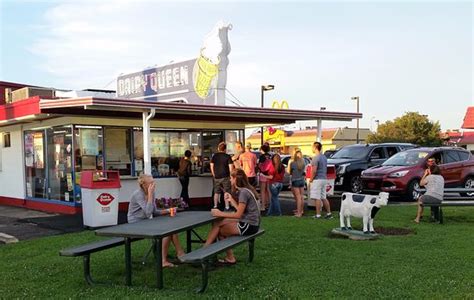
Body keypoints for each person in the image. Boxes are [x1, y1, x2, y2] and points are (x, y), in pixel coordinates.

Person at [204, 169, 260, 264]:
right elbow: (240, 211)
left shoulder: (243, 193)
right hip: (252, 223)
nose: (230, 180)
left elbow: (238, 215)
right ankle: (207, 250)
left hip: (249, 225)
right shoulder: (246, 190)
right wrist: (231, 200)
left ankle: (205, 252)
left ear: (235, 179)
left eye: (231, 178)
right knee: (218, 223)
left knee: (220, 231)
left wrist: (219, 213)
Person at [127, 174, 185, 268]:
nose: (154, 184)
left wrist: (168, 210)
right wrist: (150, 195)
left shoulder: (152, 193)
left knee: (171, 228)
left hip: (146, 222)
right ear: (144, 185)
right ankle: (165, 260)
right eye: (151, 183)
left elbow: (154, 212)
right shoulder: (138, 194)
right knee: (167, 231)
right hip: (135, 223)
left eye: (154, 182)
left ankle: (179, 253)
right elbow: (148, 213)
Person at [310, 142, 333, 219]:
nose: (311, 148)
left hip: (317, 179)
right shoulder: (324, 157)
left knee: (317, 197)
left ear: (315, 148)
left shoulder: (315, 158)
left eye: (312, 147)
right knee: (323, 197)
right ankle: (329, 213)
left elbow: (314, 170)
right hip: (324, 178)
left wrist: (311, 179)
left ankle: (318, 214)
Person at [210, 142, 234, 210]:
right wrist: (231, 176)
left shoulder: (214, 156)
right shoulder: (227, 156)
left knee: (216, 192)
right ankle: (227, 207)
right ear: (225, 149)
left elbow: (211, 166)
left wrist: (214, 174)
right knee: (226, 191)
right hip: (225, 176)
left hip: (216, 176)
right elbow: (231, 167)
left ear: (218, 148)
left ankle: (215, 206)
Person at [288, 148, 306, 217]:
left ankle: (299, 213)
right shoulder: (303, 163)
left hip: (295, 180)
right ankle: (301, 210)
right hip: (302, 180)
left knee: (298, 197)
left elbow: (289, 172)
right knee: (301, 196)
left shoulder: (293, 163)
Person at [257, 144, 272, 211]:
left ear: (262, 149)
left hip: (262, 174)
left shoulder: (262, 156)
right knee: (268, 190)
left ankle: (263, 206)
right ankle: (270, 204)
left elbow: (260, 165)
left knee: (262, 191)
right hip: (269, 174)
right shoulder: (270, 156)